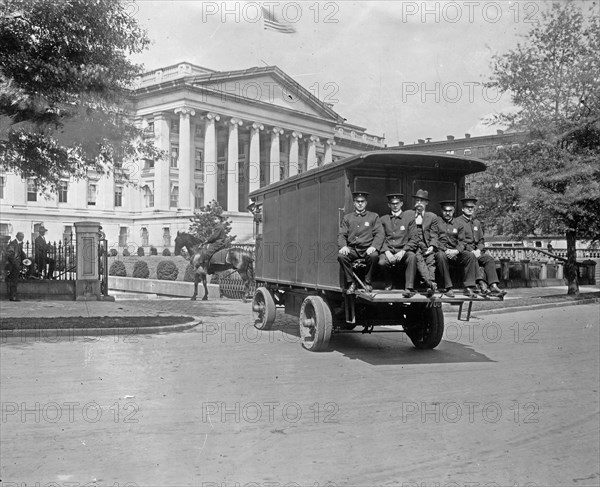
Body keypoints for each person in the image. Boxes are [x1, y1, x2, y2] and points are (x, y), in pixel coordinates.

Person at [337, 191, 384, 293]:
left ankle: (367, 281)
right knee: (341, 256)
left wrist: (374, 247)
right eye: (357, 201)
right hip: (353, 249)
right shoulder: (347, 218)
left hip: (367, 248)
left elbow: (380, 234)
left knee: (374, 256)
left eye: (362, 201)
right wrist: (343, 246)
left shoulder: (373, 216)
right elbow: (342, 235)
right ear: (354, 203)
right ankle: (351, 282)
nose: (360, 203)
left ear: (366, 203)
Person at [460, 197, 506, 296]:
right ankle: (481, 284)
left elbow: (481, 240)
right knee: (471, 257)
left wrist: (479, 250)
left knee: (489, 259)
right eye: (467, 207)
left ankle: (493, 286)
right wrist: (471, 251)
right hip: (464, 252)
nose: (470, 209)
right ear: (462, 209)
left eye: (472, 207)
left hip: (476, 252)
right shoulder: (458, 222)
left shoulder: (476, 222)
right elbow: (458, 241)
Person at [435, 200, 479, 297]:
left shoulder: (458, 224)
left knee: (470, 255)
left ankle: (469, 287)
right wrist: (445, 250)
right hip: (442, 251)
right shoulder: (437, 222)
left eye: (450, 211)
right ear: (441, 211)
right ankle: (448, 287)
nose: (447, 213)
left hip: (455, 252)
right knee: (440, 256)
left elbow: (462, 241)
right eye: (445, 211)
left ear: (453, 211)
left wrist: (456, 251)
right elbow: (434, 239)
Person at [378, 193, 419, 296]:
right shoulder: (383, 219)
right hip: (388, 249)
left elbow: (414, 239)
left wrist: (403, 251)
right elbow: (379, 238)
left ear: (401, 204)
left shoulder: (409, 219)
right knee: (382, 262)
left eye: (397, 203)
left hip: (403, 249)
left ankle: (409, 288)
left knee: (412, 257)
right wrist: (387, 252)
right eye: (392, 203)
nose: (395, 206)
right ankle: (388, 282)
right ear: (389, 205)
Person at [404, 189, 439, 297]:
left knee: (430, 259)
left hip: (426, 245)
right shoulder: (407, 214)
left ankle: (430, 285)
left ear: (426, 203)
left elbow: (434, 234)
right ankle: (430, 283)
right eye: (417, 200)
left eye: (422, 201)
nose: (419, 203)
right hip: (413, 245)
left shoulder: (432, 217)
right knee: (418, 257)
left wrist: (432, 246)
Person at [5, 232, 26, 301]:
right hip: (13, 265)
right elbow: (10, 255)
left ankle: (14, 296)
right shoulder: (13, 244)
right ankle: (13, 296)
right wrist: (16, 264)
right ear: (17, 236)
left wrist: (26, 259)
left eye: (23, 237)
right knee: (14, 281)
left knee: (15, 280)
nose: (22, 238)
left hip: (16, 264)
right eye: (21, 236)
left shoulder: (19, 244)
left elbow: (21, 253)